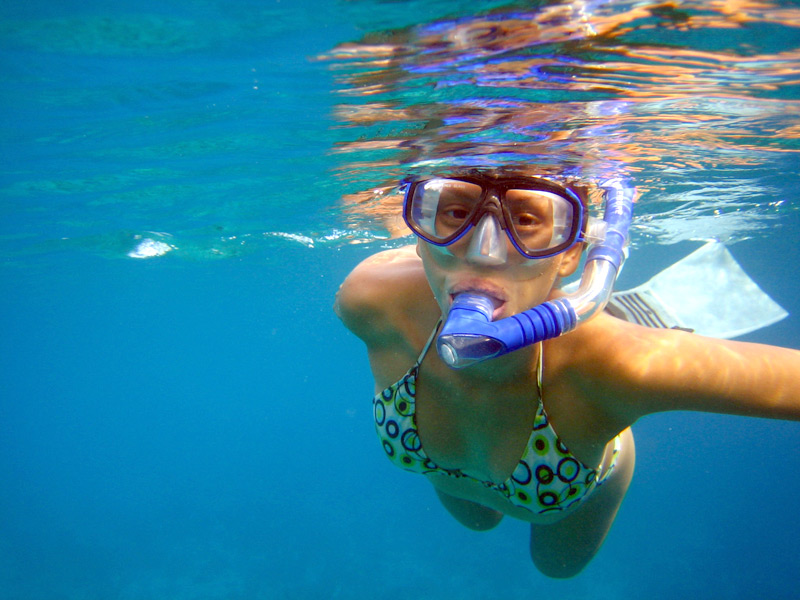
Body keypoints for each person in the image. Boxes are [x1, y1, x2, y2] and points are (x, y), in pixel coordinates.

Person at [333, 167, 800, 578]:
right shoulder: (371, 301)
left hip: (570, 478)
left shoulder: (617, 367)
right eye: (456, 212)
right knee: (475, 520)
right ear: (420, 235)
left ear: (572, 255)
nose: (484, 253)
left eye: (528, 219)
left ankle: (619, 316)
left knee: (555, 569)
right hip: (450, 472)